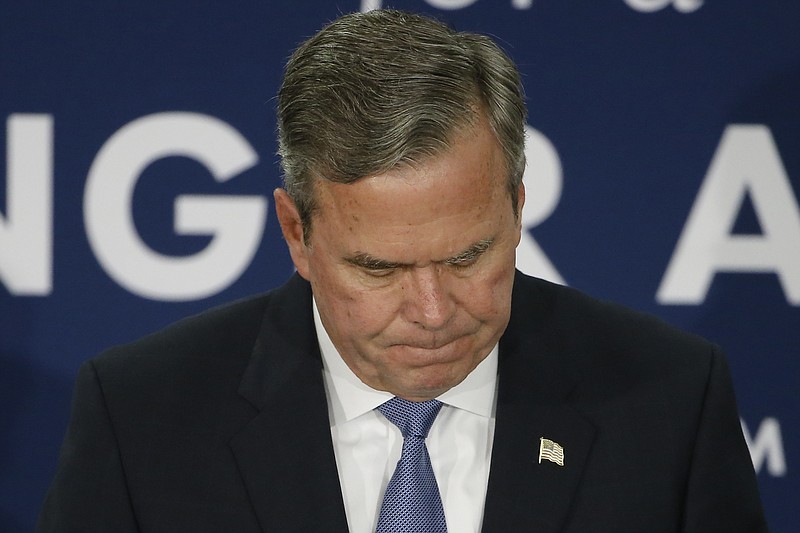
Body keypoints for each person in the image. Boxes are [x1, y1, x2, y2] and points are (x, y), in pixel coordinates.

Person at [39, 9, 767, 533]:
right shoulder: (143, 418)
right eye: (380, 268)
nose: (431, 310)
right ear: (297, 232)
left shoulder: (670, 401)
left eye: (466, 255)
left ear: (515, 209)